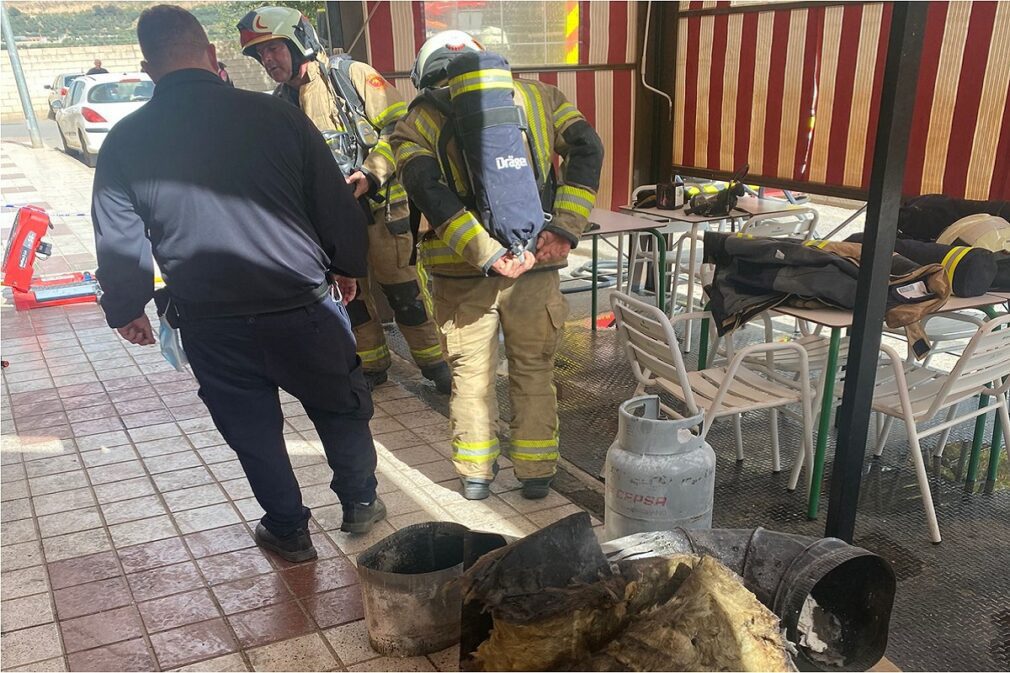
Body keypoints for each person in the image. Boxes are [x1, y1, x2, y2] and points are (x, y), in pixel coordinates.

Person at [91, 4, 386, 563]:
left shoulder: (126, 141)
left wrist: (125, 306)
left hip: (211, 322)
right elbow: (332, 202)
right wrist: (346, 267)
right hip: (302, 307)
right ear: (211, 55)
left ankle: (289, 532)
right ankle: (361, 503)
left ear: (149, 69)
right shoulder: (277, 117)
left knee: (253, 430)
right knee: (339, 408)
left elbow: (117, 236)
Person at [391, 31, 604, 500]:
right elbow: (588, 148)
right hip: (536, 264)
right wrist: (564, 228)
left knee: (472, 377)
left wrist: (486, 252)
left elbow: (428, 191)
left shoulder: (417, 122)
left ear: (427, 74)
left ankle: (476, 475)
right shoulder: (540, 96)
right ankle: (536, 473)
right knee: (534, 368)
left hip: (462, 276)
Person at [237, 6, 451, 393]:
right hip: (329, 221)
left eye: (273, 49)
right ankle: (372, 365)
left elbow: (402, 130)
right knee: (351, 297)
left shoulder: (351, 76)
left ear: (298, 41)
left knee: (405, 294)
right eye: (260, 54)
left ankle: (436, 366)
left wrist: (371, 173)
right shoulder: (280, 104)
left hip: (382, 209)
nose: (267, 60)